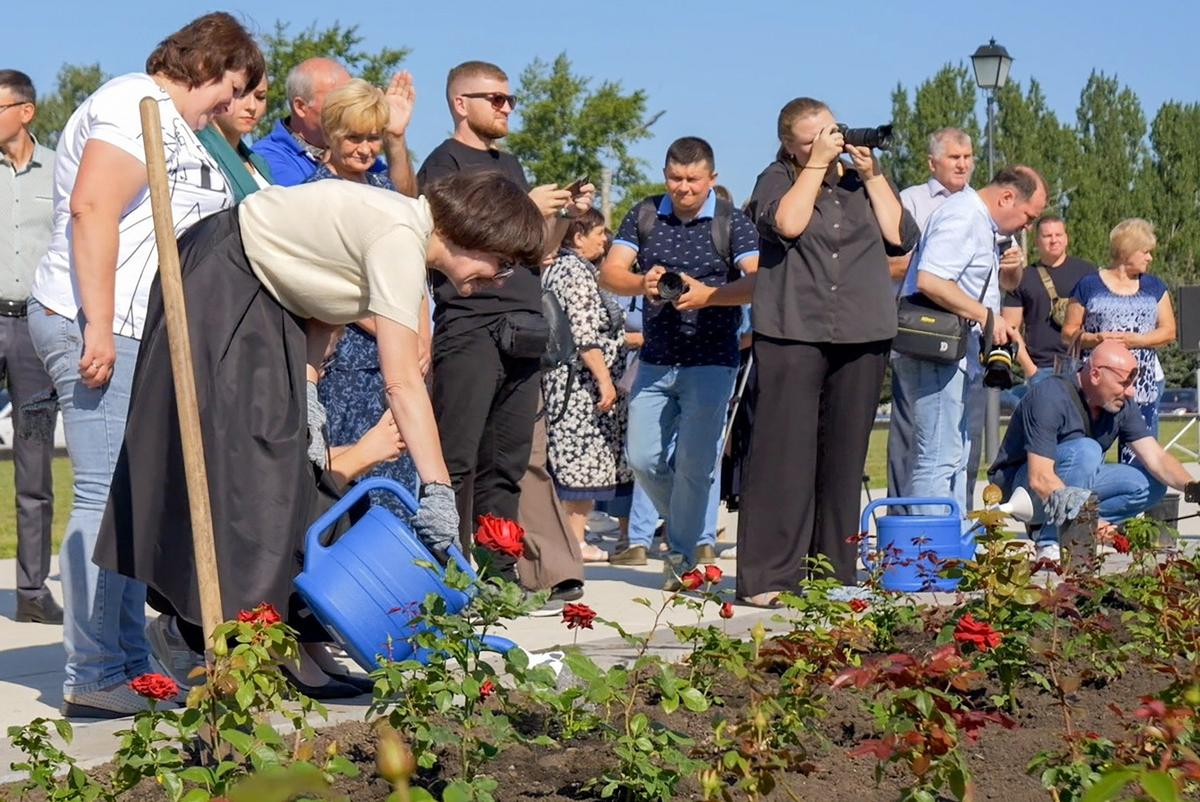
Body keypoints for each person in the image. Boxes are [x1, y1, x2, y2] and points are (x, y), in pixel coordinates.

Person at [94, 172, 543, 689]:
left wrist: (306, 391)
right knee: (254, 465)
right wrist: (438, 489)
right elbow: (401, 382)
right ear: (477, 234)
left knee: (285, 464)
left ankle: (278, 642)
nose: (501, 279)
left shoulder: (401, 236)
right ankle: (198, 631)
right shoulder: (399, 236)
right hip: (222, 280)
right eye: (503, 263)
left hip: (263, 296)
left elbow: (322, 296)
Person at [28, 12, 263, 718]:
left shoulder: (177, 124)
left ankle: (126, 662)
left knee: (131, 498)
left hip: (137, 330)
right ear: (212, 66)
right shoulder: (133, 102)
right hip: (99, 324)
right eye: (234, 83)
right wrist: (98, 324)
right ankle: (95, 671)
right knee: (106, 497)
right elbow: (93, 207)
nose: (234, 101)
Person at [416, 60, 592, 602]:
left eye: (509, 99)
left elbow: (533, 250)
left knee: (509, 462)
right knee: (459, 457)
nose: (506, 107)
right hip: (469, 322)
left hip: (522, 323)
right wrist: (523, 206)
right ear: (459, 102)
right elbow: (447, 239)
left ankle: (498, 573)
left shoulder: (509, 163)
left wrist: (559, 216)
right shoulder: (442, 164)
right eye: (494, 98)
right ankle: (449, 571)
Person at [735, 98, 918, 606]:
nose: (830, 141)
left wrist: (876, 175)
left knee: (843, 457)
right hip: (794, 329)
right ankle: (771, 578)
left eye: (831, 131)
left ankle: (832, 572)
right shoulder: (776, 177)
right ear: (793, 145)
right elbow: (787, 224)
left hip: (862, 332)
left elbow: (900, 238)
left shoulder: (861, 181)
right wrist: (815, 166)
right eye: (815, 136)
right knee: (783, 455)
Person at [599, 136, 759, 590]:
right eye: (674, 178)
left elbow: (759, 282)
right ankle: (689, 535)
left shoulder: (733, 223)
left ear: (712, 178)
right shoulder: (646, 213)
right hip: (655, 358)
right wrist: (640, 283)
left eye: (692, 179)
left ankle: (683, 556)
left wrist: (708, 295)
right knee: (643, 457)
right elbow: (609, 273)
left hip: (712, 360)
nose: (683, 188)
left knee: (694, 462)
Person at [892, 165, 1047, 526]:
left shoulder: (977, 221)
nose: (1027, 226)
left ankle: (948, 545)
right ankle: (929, 553)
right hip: (935, 353)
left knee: (955, 454)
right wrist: (986, 317)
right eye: (1028, 216)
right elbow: (930, 280)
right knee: (937, 456)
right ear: (1007, 196)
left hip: (953, 357)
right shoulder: (963, 216)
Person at [305, 79, 422, 516]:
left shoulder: (383, 188)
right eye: (355, 137)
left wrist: (420, 336)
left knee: (397, 489)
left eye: (373, 136)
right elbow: (325, 284)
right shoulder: (314, 195)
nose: (365, 147)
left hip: (396, 365)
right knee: (348, 489)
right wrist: (396, 329)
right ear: (331, 134)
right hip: (345, 363)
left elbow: (411, 251)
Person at [988, 339, 1197, 561]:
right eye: (1124, 383)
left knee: (1153, 484)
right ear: (1096, 374)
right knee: (1087, 451)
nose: (1131, 391)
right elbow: (1040, 477)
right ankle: (1051, 542)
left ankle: (1074, 530)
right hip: (1023, 491)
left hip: (1071, 483)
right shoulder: (1049, 396)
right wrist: (1096, 523)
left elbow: (1156, 457)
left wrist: (1195, 489)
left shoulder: (1121, 404)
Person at [0, 69, 61, 625]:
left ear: (26, 111)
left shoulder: (62, 169)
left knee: (35, 466)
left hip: (35, 333)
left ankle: (32, 593)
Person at [886, 128, 975, 502]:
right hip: (922, 336)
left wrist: (1012, 268)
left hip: (968, 336)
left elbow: (1007, 280)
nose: (963, 164)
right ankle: (910, 531)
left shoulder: (976, 204)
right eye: (954, 157)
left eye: (968, 157)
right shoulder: (912, 201)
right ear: (932, 162)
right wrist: (937, 263)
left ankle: (956, 520)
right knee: (917, 441)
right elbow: (889, 263)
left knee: (959, 443)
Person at [542, 208, 632, 561]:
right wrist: (605, 380)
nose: (604, 238)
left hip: (574, 383)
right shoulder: (574, 273)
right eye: (599, 232)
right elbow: (584, 334)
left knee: (580, 461)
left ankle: (572, 538)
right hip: (579, 388)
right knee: (579, 462)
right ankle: (575, 540)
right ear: (578, 236)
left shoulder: (563, 269)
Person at [1062, 218, 1172, 465]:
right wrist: (1096, 339)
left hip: (1142, 387)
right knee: (1088, 453)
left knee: (1140, 460)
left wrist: (1139, 340)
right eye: (1145, 252)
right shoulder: (1089, 285)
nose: (1149, 258)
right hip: (1097, 387)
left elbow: (1168, 331)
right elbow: (1068, 331)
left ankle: (1133, 500)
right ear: (1126, 251)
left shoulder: (1154, 286)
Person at [250, 57, 415, 193]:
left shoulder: (362, 156)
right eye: (339, 100)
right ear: (301, 106)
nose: (352, 107)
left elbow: (404, 203)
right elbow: (306, 210)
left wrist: (395, 136)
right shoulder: (266, 159)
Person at [1002, 215, 1096, 381]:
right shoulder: (1023, 278)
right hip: (1041, 368)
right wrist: (1031, 370)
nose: (1054, 240)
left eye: (1058, 235)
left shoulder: (1087, 272)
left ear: (1066, 238)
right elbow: (1010, 328)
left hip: (1083, 367)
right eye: (1047, 236)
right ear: (1037, 241)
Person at [197, 73, 273, 198]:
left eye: (260, 97)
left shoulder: (259, 162)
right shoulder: (199, 153)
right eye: (241, 94)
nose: (252, 107)